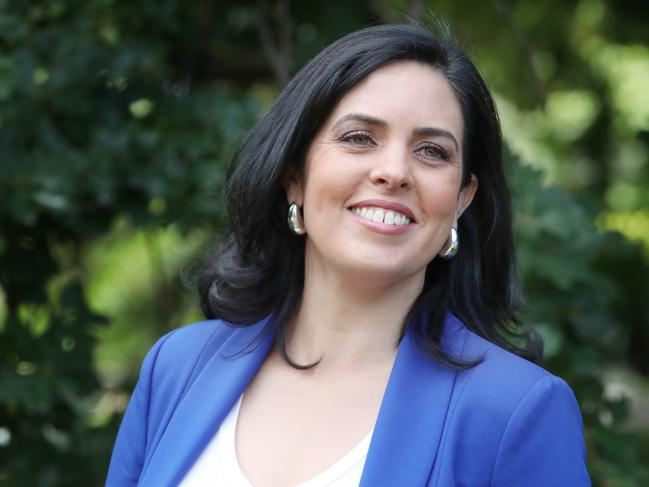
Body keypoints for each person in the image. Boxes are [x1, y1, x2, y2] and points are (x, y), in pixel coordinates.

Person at [106, 23, 591, 486]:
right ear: (293, 174)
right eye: (360, 138)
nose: (394, 171)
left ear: (462, 199)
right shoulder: (176, 367)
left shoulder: (515, 411)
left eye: (432, 152)